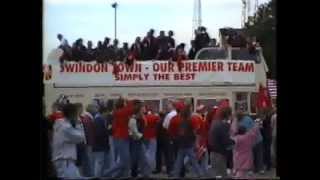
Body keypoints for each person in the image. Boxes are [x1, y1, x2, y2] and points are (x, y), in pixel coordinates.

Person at [169, 104, 204, 178]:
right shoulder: (192, 119)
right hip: (189, 142)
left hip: (181, 141)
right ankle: (199, 173)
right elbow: (196, 131)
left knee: (179, 159)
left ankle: (176, 174)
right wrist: (197, 143)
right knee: (193, 158)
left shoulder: (181, 119)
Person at [51, 103, 85, 178]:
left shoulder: (60, 123)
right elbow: (81, 138)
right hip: (65, 160)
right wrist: (79, 124)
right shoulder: (66, 128)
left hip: (62, 159)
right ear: (73, 114)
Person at [103, 98, 134, 178]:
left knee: (125, 160)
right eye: (124, 102)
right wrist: (128, 101)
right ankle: (106, 174)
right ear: (122, 104)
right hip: (121, 138)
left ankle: (121, 175)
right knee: (124, 161)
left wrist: (125, 101)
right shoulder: (121, 112)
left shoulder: (118, 112)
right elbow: (131, 109)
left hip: (121, 137)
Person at [128, 101, 152, 178]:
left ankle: (145, 174)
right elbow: (134, 131)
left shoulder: (142, 118)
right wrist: (142, 136)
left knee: (143, 158)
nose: (144, 109)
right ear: (139, 110)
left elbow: (145, 126)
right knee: (135, 158)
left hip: (139, 140)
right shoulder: (133, 119)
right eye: (143, 108)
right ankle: (134, 174)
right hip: (135, 141)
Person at [210, 107, 235, 178]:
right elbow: (227, 141)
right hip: (220, 154)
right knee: (223, 175)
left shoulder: (214, 122)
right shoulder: (223, 125)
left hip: (213, 152)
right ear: (228, 115)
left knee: (217, 175)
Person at [238, 109, 264, 174]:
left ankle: (251, 170)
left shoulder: (240, 123)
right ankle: (260, 169)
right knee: (259, 155)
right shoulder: (248, 118)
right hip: (258, 138)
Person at [90, 102, 111, 177]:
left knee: (102, 163)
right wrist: (107, 131)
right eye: (107, 113)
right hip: (100, 146)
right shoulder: (99, 120)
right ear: (104, 112)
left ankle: (100, 176)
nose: (107, 115)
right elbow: (99, 134)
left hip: (101, 146)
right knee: (99, 163)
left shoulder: (100, 119)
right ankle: (97, 177)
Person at [161, 99, 178, 175]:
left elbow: (165, 126)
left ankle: (170, 170)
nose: (167, 106)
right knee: (177, 153)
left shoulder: (169, 115)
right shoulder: (178, 113)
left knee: (169, 154)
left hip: (169, 136)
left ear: (172, 105)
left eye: (168, 105)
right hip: (178, 137)